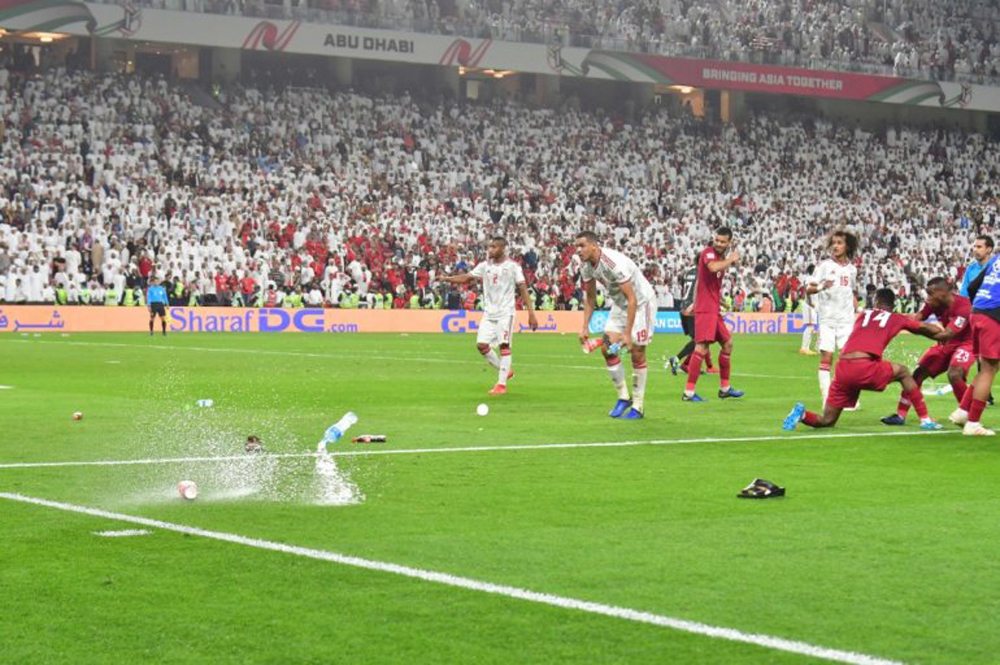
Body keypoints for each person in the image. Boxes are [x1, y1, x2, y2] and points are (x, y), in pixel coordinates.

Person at [783, 289, 948, 431]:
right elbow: (924, 328)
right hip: (864, 367)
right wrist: (942, 334)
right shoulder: (896, 318)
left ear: (875, 301)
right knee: (904, 372)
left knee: (827, 420)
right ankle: (925, 419)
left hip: (842, 369)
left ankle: (802, 414)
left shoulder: (863, 315)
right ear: (893, 304)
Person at [440, 237, 538, 395]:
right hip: (489, 313)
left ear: (502, 249)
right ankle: (505, 370)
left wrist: (531, 313)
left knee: (504, 346)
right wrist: (448, 279)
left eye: (493, 247)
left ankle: (501, 384)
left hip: (506, 313)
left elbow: (523, 288)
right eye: (489, 247)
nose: (490, 250)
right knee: (481, 345)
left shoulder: (513, 267)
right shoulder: (485, 266)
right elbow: (467, 277)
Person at [576, 231, 657, 419]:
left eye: (582, 246)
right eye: (577, 247)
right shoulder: (586, 267)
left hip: (642, 303)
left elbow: (633, 298)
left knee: (637, 351)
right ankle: (623, 397)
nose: (578, 250)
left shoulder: (613, 263)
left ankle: (638, 405)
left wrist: (627, 334)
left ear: (594, 246)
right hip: (621, 305)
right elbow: (589, 298)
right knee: (607, 349)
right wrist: (584, 327)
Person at [882, 277, 973, 425]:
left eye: (931, 293)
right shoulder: (934, 303)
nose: (928, 298)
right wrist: (896, 320)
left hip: (967, 344)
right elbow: (916, 318)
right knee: (917, 374)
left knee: (954, 373)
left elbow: (946, 334)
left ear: (943, 293)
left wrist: (920, 329)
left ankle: (967, 414)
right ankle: (900, 416)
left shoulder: (963, 307)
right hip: (946, 344)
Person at [682, 227, 743, 402]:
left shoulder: (722, 258)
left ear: (729, 243)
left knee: (728, 344)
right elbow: (712, 267)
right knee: (701, 347)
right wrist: (731, 259)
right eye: (717, 240)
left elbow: (705, 282)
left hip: (713, 308)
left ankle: (724, 389)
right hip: (706, 309)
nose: (718, 244)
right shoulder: (708, 253)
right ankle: (689, 393)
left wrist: (720, 302)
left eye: (723, 241)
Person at [808, 230, 860, 408]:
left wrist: (859, 309)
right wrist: (822, 286)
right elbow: (809, 289)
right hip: (828, 321)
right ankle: (827, 399)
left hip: (846, 321)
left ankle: (849, 398)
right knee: (827, 358)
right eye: (834, 243)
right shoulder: (824, 266)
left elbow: (851, 292)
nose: (836, 246)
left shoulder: (852, 269)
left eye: (840, 243)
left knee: (849, 360)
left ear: (847, 246)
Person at [950, 252, 1000, 435]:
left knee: (987, 368)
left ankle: (963, 411)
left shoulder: (996, 258)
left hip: (977, 312)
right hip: (993, 315)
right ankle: (973, 423)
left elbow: (973, 286)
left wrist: (979, 306)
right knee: (989, 369)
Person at [667, 256, 714, 375]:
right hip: (693, 310)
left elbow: (684, 288)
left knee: (700, 340)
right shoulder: (703, 274)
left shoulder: (687, 273)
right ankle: (678, 359)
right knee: (700, 340)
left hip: (683, 309)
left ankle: (688, 365)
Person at [798, 264, 819, 355]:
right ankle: (804, 348)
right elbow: (808, 290)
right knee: (810, 326)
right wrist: (809, 302)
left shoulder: (810, 279)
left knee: (811, 326)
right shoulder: (811, 279)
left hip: (812, 305)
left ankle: (807, 347)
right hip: (810, 305)